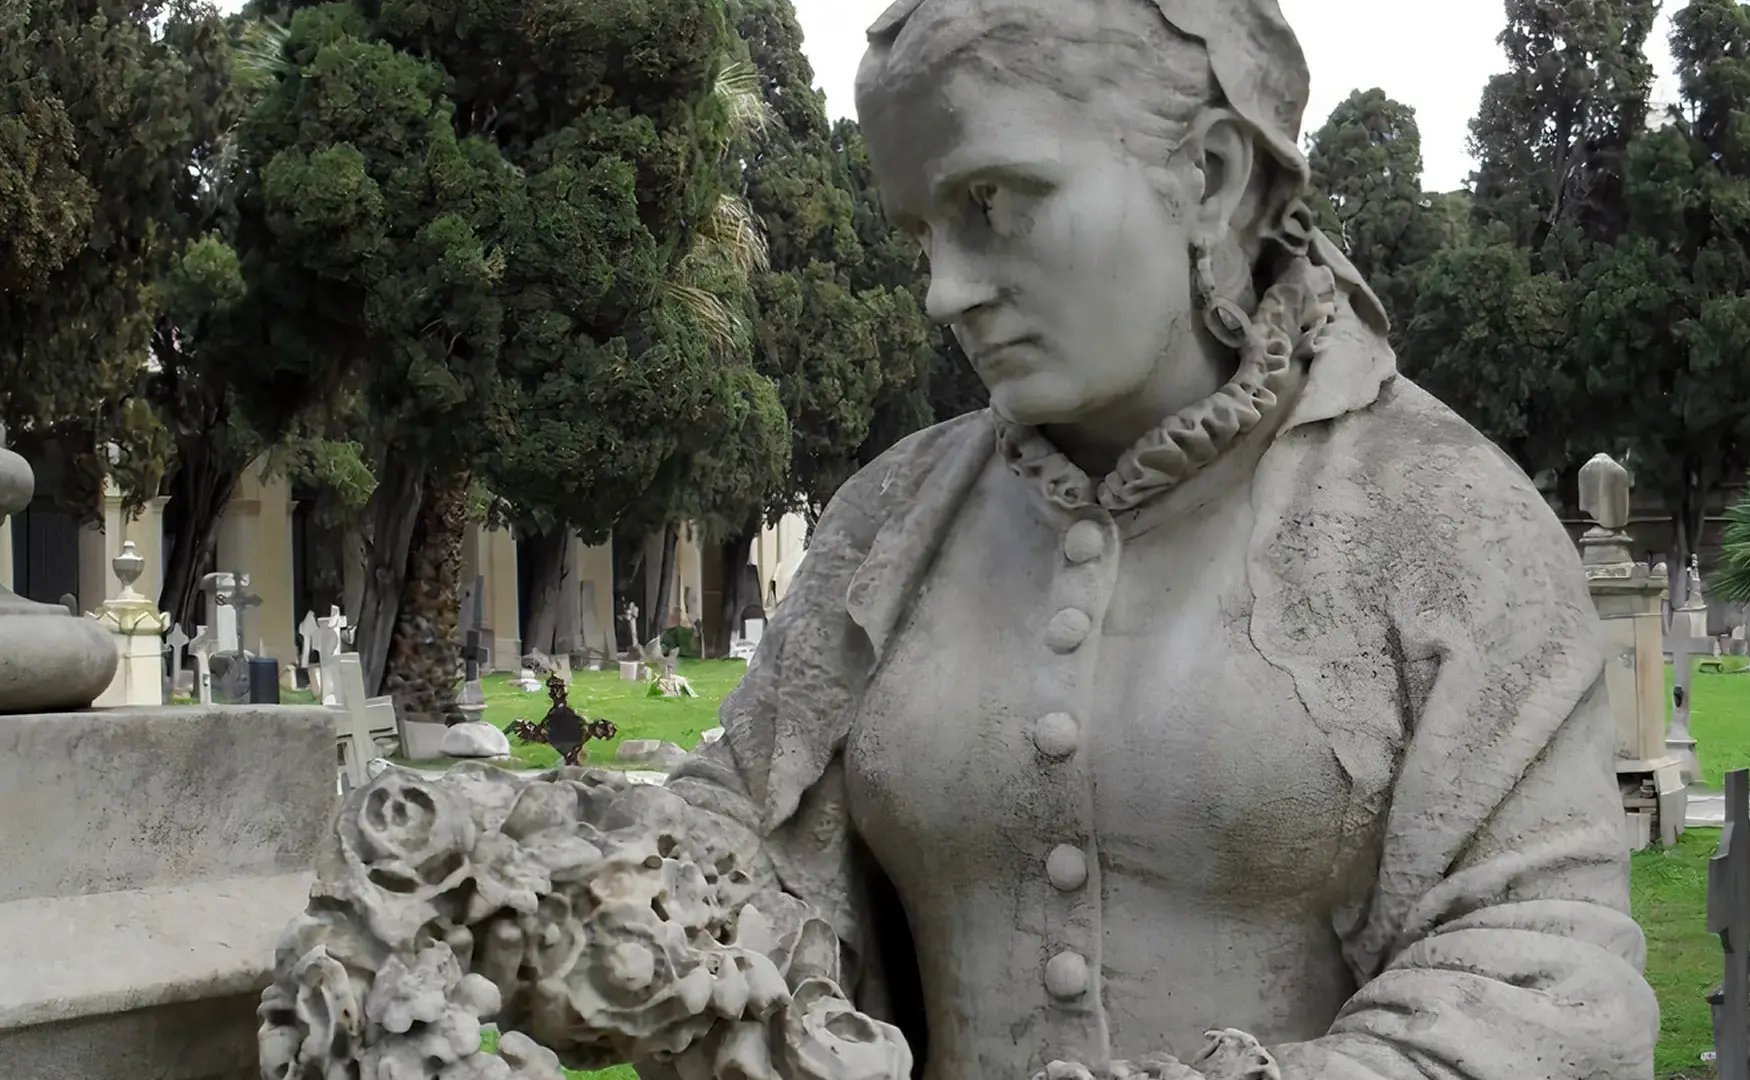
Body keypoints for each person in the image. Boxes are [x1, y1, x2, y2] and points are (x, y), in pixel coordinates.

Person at [668, 1, 1660, 1079]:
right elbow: (743, 843)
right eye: (921, 232)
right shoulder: (887, 519)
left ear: (1212, 174)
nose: (943, 292)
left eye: (992, 204)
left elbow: (1542, 992)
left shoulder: (1443, 521)